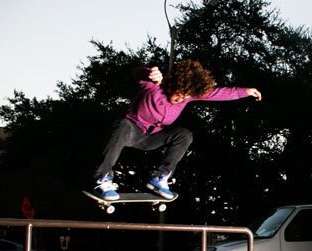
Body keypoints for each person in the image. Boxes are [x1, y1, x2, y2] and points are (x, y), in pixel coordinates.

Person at [93, 59, 262, 200]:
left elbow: (217, 93)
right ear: (174, 84)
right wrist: (149, 72)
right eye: (179, 93)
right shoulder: (154, 86)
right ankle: (102, 178)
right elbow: (136, 73)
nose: (181, 98)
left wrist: (245, 91)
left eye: (186, 96)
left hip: (152, 138)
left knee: (184, 135)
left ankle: (159, 178)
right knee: (122, 124)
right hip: (130, 132)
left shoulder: (188, 95)